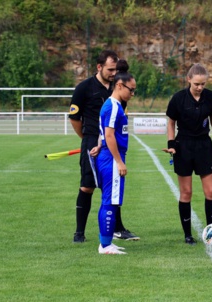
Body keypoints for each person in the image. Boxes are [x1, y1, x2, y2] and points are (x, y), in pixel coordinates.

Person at [163, 63, 212, 245]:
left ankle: (211, 232)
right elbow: (171, 122)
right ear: (189, 80)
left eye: (203, 84)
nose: (200, 87)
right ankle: (187, 235)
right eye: (197, 84)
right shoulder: (179, 98)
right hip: (184, 147)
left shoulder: (210, 97)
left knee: (211, 191)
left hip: (204, 146)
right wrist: (171, 144)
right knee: (186, 192)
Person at [69, 50, 139, 243]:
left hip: (110, 142)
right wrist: (88, 139)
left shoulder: (118, 88)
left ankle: (118, 228)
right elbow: (75, 118)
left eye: (115, 69)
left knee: (114, 185)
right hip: (93, 140)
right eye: (110, 69)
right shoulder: (84, 88)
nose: (113, 72)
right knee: (87, 186)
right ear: (99, 67)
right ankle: (79, 233)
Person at [91, 59, 136, 254]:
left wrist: (100, 144)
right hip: (111, 159)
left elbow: (104, 133)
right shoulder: (114, 106)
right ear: (119, 85)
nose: (132, 94)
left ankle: (106, 241)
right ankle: (106, 245)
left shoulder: (114, 105)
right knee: (110, 201)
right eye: (131, 90)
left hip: (109, 156)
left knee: (111, 200)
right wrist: (119, 161)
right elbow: (109, 134)